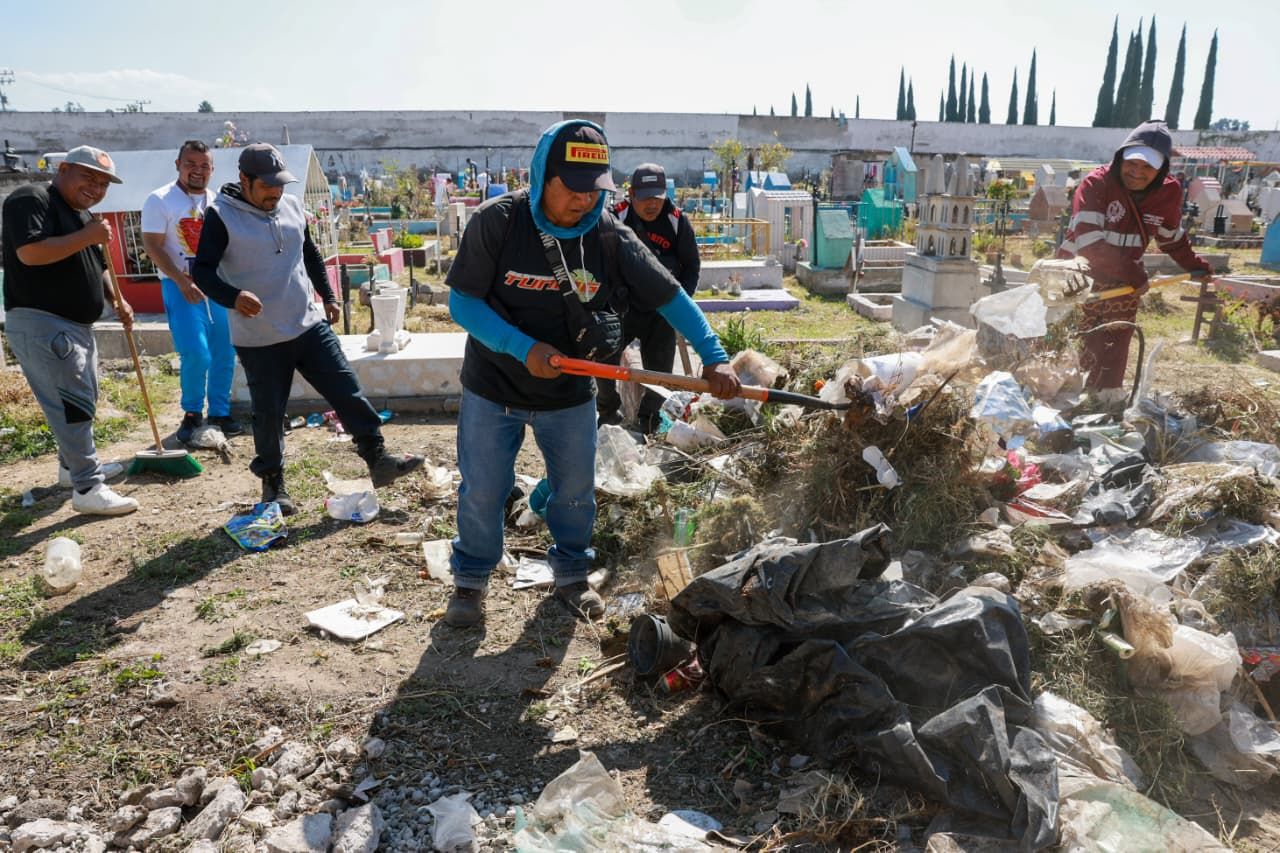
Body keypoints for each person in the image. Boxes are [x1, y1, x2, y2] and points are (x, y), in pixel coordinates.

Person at [444, 120, 740, 627]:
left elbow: (670, 295)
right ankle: (470, 581)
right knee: (484, 491)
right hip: (494, 387)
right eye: (573, 189)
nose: (584, 201)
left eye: (594, 189)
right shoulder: (499, 222)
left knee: (575, 492)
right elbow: (463, 303)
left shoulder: (608, 236)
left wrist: (714, 356)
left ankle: (572, 575)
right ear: (542, 176)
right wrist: (522, 347)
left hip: (569, 393)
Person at [193, 143, 423, 515]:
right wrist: (232, 297)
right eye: (266, 185)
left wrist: (328, 295)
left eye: (279, 184)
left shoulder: (291, 205)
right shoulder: (221, 216)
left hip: (307, 324)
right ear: (244, 180)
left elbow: (309, 252)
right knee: (269, 413)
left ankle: (378, 458)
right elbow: (202, 271)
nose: (275, 192)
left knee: (346, 389)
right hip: (260, 338)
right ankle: (273, 487)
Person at [1, 145, 138, 515]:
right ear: (63, 169)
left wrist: (116, 299)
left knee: (83, 400)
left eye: (103, 183)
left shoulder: (81, 216)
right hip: (43, 321)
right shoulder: (31, 198)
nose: (96, 187)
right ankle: (88, 486)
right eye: (88, 177)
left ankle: (70, 468)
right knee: (72, 407)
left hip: (75, 326)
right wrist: (89, 235)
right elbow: (30, 253)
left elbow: (99, 265)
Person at [1058, 120, 1213, 408]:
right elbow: (1090, 245)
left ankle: (1105, 402)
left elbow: (1171, 238)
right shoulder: (1096, 184)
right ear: (1121, 158)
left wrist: (1195, 264)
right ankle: (1067, 399)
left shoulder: (1167, 193)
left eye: (1147, 167)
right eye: (1132, 163)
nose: (1137, 172)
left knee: (1117, 341)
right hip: (1078, 276)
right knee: (1079, 340)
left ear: (1161, 170)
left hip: (1123, 284)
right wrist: (1135, 274)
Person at [142, 140, 242, 444]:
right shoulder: (160, 200)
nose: (197, 170)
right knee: (196, 352)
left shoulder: (219, 201)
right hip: (180, 286)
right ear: (178, 165)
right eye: (190, 164)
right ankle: (192, 412)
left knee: (225, 351)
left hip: (218, 286)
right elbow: (152, 246)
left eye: (204, 165)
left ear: (212, 169)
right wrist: (182, 281)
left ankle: (220, 412)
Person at [598, 163, 701, 431]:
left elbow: (691, 266)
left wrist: (679, 305)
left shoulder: (676, 221)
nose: (652, 204)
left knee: (660, 370)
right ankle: (607, 411)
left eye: (657, 197)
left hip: (661, 310)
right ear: (631, 194)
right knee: (604, 359)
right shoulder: (615, 217)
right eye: (645, 198)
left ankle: (649, 420)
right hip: (622, 307)